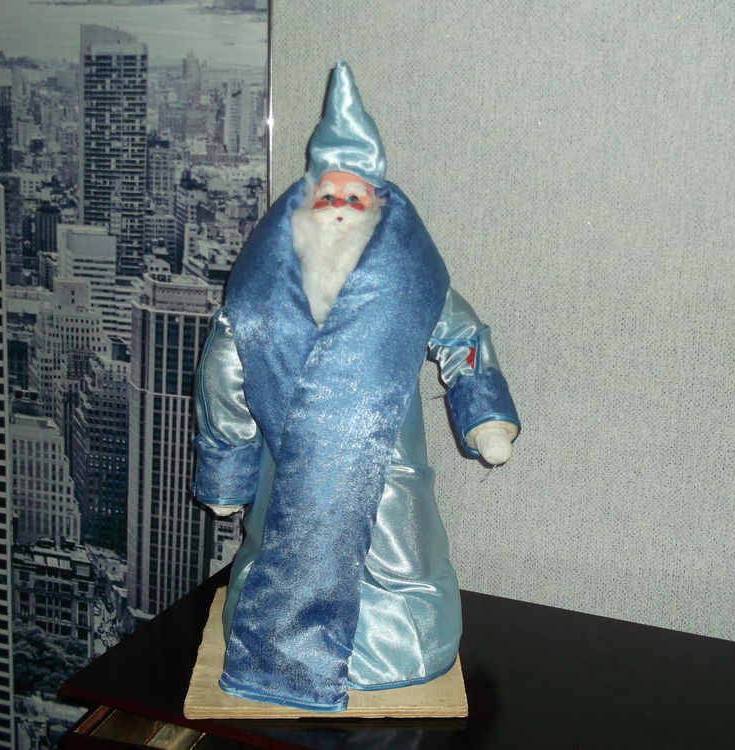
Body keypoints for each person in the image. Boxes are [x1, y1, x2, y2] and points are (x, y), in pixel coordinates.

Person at [192, 61, 520, 712]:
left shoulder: (409, 275)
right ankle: (283, 649)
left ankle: (401, 643)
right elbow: (224, 374)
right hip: (292, 466)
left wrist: (484, 417)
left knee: (399, 556)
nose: (341, 209)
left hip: (387, 462)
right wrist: (227, 477)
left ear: (376, 204)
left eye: (354, 198)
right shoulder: (262, 292)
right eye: (329, 197)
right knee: (281, 548)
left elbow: (461, 335)